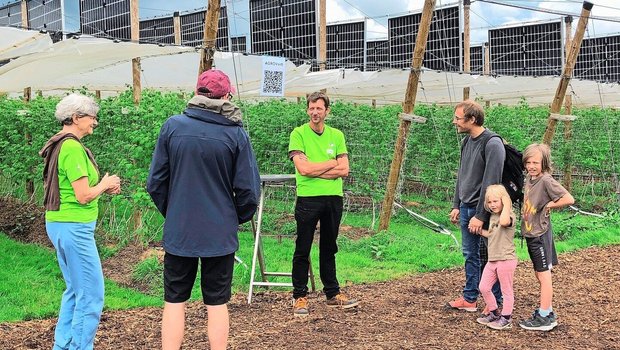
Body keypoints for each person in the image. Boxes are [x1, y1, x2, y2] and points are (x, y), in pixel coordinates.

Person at [147, 69, 260, 349]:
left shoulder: (172, 127)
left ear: (197, 93)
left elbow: (156, 183)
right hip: (219, 235)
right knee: (217, 302)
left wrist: (174, 212)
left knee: (174, 300)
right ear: (227, 96)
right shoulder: (236, 135)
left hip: (180, 232)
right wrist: (232, 219)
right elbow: (248, 191)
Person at [40, 93, 121, 350]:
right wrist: (105, 184)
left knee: (75, 290)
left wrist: (102, 187)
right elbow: (83, 195)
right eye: (92, 117)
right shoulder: (72, 147)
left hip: (60, 224)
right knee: (91, 294)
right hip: (74, 227)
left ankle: (63, 345)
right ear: (76, 118)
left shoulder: (61, 144)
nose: (95, 122)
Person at [288, 91, 359, 317]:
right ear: (307, 109)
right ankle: (300, 296)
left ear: (327, 111)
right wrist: (331, 164)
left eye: (319, 108)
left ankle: (332, 293)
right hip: (308, 198)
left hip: (333, 199)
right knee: (303, 248)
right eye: (311, 108)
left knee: (329, 247)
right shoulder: (298, 134)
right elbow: (304, 169)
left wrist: (317, 168)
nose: (315, 112)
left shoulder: (337, 135)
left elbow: (345, 169)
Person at [447, 100, 505, 313]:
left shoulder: (492, 143)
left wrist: (481, 215)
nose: (455, 122)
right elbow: (462, 175)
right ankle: (470, 298)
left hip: (485, 212)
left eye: (458, 118)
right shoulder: (467, 142)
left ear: (472, 119)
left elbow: (492, 183)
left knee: (492, 256)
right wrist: (457, 204)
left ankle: (497, 303)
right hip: (466, 208)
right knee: (470, 255)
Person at [519, 143, 574, 331]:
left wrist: (549, 206)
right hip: (531, 233)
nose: (532, 166)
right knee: (539, 273)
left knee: (544, 277)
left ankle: (544, 318)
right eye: (529, 162)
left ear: (545, 163)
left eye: (536, 162)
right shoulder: (530, 178)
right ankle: (547, 311)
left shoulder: (545, 180)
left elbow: (568, 199)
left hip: (539, 234)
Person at [475, 184, 517, 330]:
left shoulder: (509, 215)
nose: (492, 205)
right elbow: (493, 234)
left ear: (504, 201)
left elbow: (504, 222)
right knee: (484, 286)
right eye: (490, 202)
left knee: (506, 290)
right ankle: (493, 312)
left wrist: (506, 204)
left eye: (496, 201)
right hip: (493, 259)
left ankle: (506, 318)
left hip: (506, 259)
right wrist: (479, 231)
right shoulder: (493, 217)